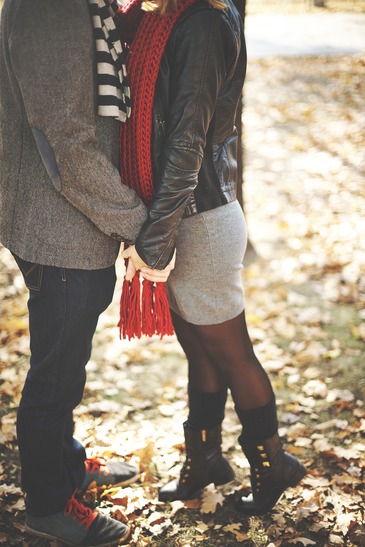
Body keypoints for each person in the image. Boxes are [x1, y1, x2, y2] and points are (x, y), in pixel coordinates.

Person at [118, 0, 306, 516]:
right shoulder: (170, 18)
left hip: (198, 219)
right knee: (198, 351)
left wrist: (157, 235)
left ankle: (273, 467)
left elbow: (187, 138)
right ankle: (204, 463)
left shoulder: (203, 21)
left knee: (231, 353)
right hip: (180, 213)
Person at [0, 0, 174, 545]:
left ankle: (69, 465)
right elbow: (65, 142)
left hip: (73, 220)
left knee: (66, 366)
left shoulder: (82, 7)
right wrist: (136, 222)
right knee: (55, 377)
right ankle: (49, 504)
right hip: (59, 227)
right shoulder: (51, 8)